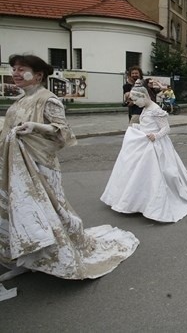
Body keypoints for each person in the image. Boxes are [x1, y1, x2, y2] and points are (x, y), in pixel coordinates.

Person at [0, 54, 138, 280]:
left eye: (21, 69)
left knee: (52, 210)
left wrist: (36, 127)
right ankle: (28, 255)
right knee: (24, 211)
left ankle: (54, 254)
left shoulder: (48, 99)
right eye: (13, 68)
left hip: (41, 164)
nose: (15, 73)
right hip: (16, 168)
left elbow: (63, 132)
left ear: (38, 75)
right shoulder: (19, 101)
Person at [101, 83, 187, 222]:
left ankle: (151, 202)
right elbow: (147, 124)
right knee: (140, 174)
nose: (134, 103)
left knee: (157, 174)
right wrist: (138, 127)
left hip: (156, 145)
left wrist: (156, 136)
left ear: (144, 96)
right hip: (145, 143)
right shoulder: (145, 107)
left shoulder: (156, 109)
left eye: (135, 100)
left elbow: (166, 129)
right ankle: (137, 200)